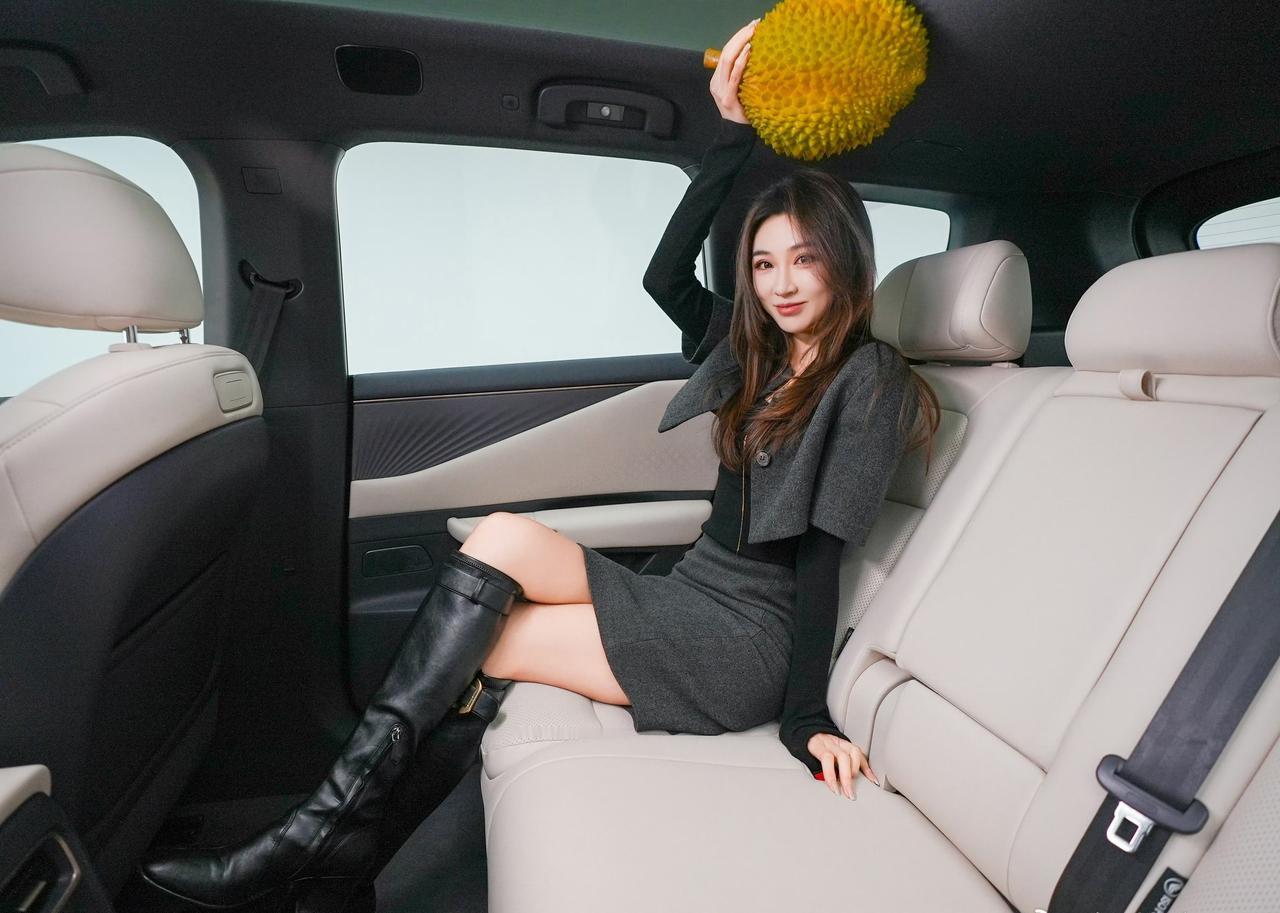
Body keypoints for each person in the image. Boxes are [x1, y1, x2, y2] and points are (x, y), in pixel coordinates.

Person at [136, 19, 940, 913]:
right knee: (500, 538)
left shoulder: (870, 379)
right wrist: (730, 137)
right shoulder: (753, 351)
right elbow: (665, 277)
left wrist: (806, 717)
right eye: (764, 263)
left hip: (745, 641)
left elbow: (822, 556)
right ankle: (328, 853)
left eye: (805, 260)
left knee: (495, 644)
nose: (781, 283)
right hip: (689, 592)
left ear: (845, 263)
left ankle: (316, 847)